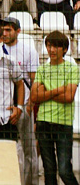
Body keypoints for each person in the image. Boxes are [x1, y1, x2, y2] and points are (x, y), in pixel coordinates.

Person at [31, 31, 79, 185]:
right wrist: (57, 90)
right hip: (43, 122)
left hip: (63, 123)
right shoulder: (42, 69)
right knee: (49, 171)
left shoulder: (72, 69)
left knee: (65, 170)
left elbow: (68, 97)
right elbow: (34, 97)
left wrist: (45, 93)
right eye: (49, 46)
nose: (51, 50)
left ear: (64, 49)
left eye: (56, 46)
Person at [0, 17, 39, 185]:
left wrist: (29, 106)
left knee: (29, 150)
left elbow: (34, 81)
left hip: (24, 106)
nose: (5, 33)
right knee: (8, 148)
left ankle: (31, 182)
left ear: (18, 31)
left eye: (9, 30)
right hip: (5, 108)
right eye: (3, 30)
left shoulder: (28, 51)